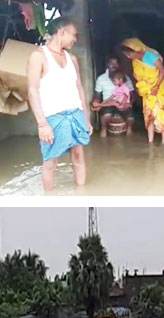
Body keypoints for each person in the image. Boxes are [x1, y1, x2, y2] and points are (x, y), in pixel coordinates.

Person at [26, 17, 93, 192]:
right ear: (61, 32)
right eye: (73, 35)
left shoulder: (72, 59)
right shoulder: (38, 56)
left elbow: (79, 88)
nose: (75, 39)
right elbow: (32, 91)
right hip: (53, 118)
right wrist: (42, 124)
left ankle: (82, 197)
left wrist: (86, 118)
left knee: (78, 157)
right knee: (50, 163)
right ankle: (49, 206)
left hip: (76, 114)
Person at [121, 38, 164, 144]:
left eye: (129, 54)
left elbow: (162, 70)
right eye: (126, 55)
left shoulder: (150, 56)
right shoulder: (135, 62)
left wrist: (156, 86)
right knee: (149, 116)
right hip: (147, 92)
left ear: (136, 50)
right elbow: (138, 78)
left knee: (160, 115)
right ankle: (150, 141)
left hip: (158, 91)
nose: (128, 57)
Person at [91, 56, 135, 137]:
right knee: (106, 115)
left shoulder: (125, 78)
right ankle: (103, 130)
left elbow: (131, 94)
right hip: (109, 103)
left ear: (119, 65)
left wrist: (129, 104)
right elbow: (97, 94)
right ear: (107, 64)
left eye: (116, 63)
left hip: (123, 103)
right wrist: (96, 101)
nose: (113, 65)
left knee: (130, 117)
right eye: (111, 63)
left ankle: (129, 130)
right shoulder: (101, 78)